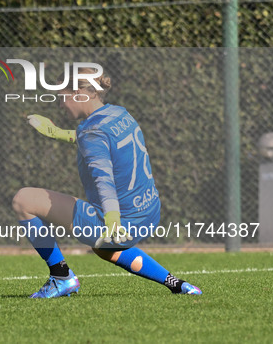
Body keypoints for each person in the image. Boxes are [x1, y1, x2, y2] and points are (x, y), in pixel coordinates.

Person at [12, 68, 201, 298]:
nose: (61, 104)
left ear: (80, 93)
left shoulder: (91, 132)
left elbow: (104, 178)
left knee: (23, 200)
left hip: (118, 224)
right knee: (104, 250)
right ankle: (177, 284)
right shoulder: (119, 114)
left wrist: (112, 218)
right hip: (149, 213)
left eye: (63, 97)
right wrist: (58, 133)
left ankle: (61, 276)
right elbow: (99, 140)